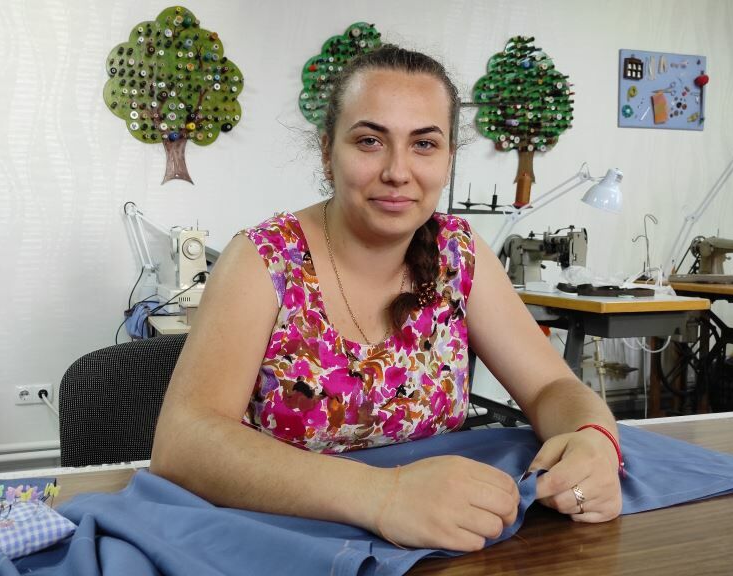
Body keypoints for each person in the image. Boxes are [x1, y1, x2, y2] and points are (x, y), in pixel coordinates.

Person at [151, 45, 622, 553]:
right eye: (370, 141)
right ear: (327, 152)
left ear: (448, 159)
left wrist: (594, 437)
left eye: (424, 144)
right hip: (283, 546)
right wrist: (383, 495)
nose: (398, 171)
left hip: (438, 546)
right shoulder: (264, 260)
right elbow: (183, 443)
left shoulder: (457, 253)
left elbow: (551, 385)